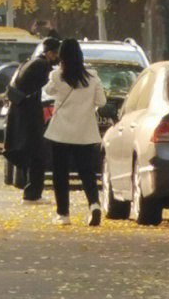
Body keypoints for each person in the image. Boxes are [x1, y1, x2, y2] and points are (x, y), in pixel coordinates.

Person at [43, 37, 105, 227]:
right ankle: (94, 204)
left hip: (60, 132)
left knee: (60, 173)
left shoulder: (57, 76)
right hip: (84, 132)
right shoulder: (92, 77)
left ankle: (63, 214)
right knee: (86, 171)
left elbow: (47, 91)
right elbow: (101, 101)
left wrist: (58, 72)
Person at [4, 34, 60, 201]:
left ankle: (30, 190)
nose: (57, 58)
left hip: (19, 114)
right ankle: (33, 193)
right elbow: (48, 90)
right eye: (56, 54)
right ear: (50, 53)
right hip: (30, 115)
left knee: (30, 153)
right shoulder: (42, 66)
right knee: (38, 155)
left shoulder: (29, 62)